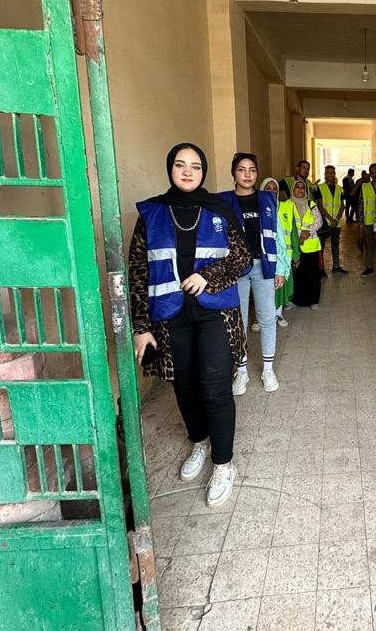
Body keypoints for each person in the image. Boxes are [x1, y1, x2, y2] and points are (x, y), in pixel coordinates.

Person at [128, 143, 250, 507]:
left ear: (204, 171)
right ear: (170, 169)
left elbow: (242, 257)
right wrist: (140, 326)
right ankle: (199, 442)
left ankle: (223, 463)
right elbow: (138, 271)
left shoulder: (219, 208)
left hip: (215, 312)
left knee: (214, 387)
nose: (187, 171)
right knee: (184, 386)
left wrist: (208, 275)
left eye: (195, 166)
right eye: (180, 165)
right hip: (170, 316)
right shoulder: (152, 213)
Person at [219, 153, 289, 395]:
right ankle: (242, 371)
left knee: (267, 319)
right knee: (239, 320)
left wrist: (281, 268)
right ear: (234, 173)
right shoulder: (224, 201)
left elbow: (278, 235)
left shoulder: (267, 199)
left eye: (252, 169)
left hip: (263, 266)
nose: (247, 174)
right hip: (236, 268)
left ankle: (268, 370)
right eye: (241, 169)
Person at [261, 178, 296, 328]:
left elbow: (289, 234)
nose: (271, 191)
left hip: (281, 256)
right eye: (267, 188)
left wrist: (294, 254)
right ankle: (261, 317)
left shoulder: (283, 208)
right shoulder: (257, 208)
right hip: (262, 255)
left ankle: (278, 313)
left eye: (274, 188)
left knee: (279, 286)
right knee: (262, 287)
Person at [289, 179, 324, 308]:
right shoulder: (287, 205)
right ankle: (296, 300)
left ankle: (313, 300)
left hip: (311, 246)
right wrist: (299, 235)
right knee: (297, 274)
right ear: (292, 189)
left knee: (313, 274)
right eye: (297, 187)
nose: (300, 189)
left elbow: (318, 221)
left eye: (303, 187)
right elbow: (286, 223)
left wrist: (308, 232)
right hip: (294, 246)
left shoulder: (311, 204)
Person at [316, 165, 347, 273]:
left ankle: (336, 267)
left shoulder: (339, 189)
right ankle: (321, 269)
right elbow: (320, 205)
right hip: (324, 222)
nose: (330, 175)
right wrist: (331, 219)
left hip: (336, 223)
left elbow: (342, 206)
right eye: (328, 172)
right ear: (325, 174)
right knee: (321, 246)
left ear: (334, 174)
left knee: (335, 245)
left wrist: (337, 219)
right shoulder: (320, 188)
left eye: (332, 172)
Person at [359, 163, 376, 277]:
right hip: (368, 221)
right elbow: (361, 203)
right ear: (370, 174)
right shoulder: (365, 187)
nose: (374, 175)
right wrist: (360, 221)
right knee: (369, 245)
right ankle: (369, 267)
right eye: (372, 173)